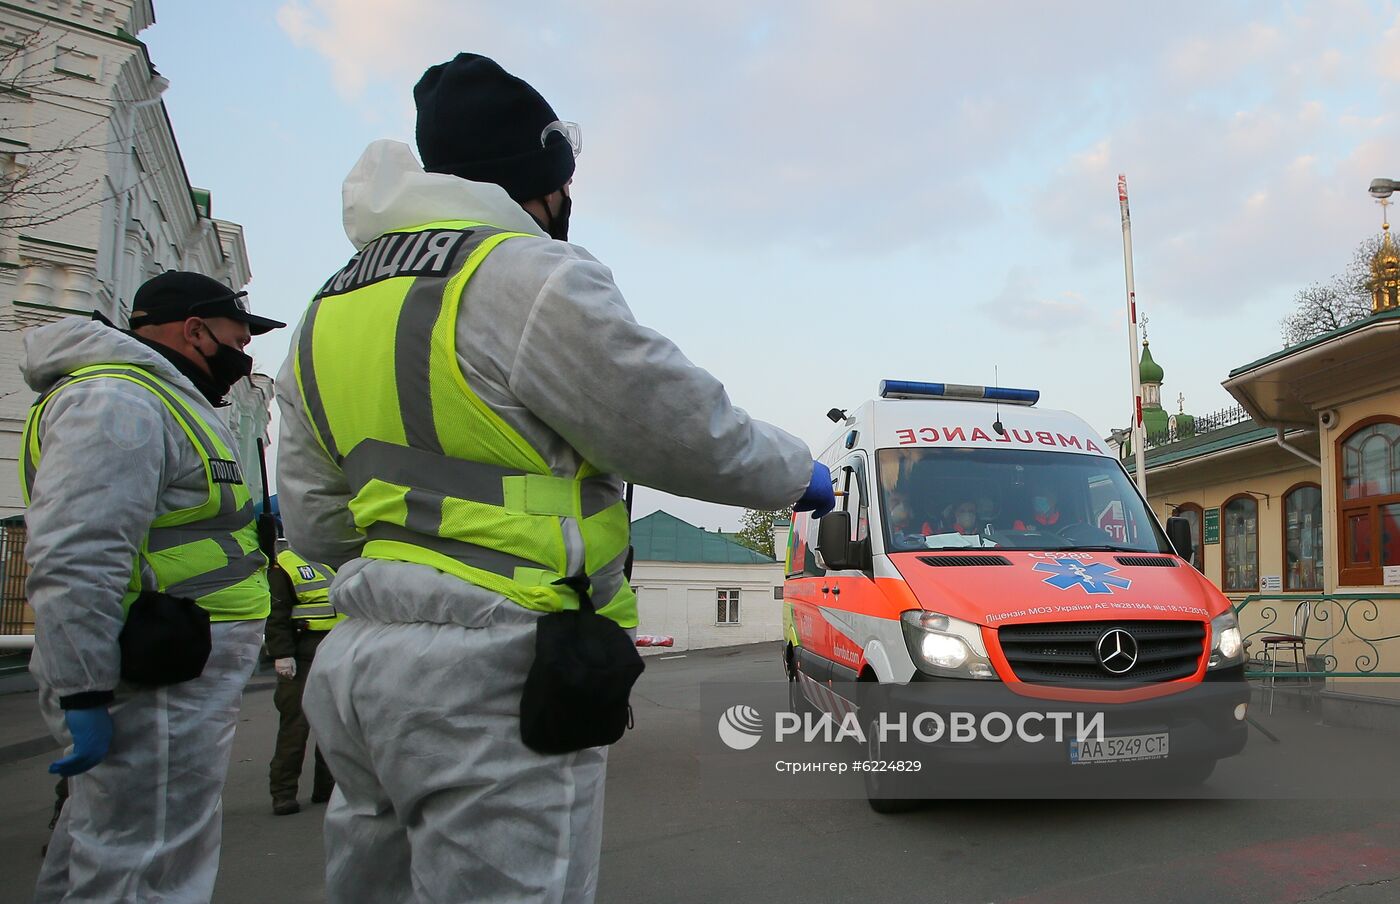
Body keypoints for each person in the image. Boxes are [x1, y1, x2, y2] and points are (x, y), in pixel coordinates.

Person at [275, 52, 835, 903]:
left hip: (358, 666)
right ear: (540, 182)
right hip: (495, 668)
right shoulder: (520, 273)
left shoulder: (329, 308)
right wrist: (797, 474)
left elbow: (315, 524)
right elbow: (671, 420)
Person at [20, 270, 284, 902]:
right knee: (150, 865)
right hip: (158, 670)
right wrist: (80, 687)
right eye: (239, 338)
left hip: (177, 662)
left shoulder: (160, 400)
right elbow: (78, 554)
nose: (245, 357)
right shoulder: (118, 402)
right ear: (195, 330)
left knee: (107, 846)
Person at [266, 542, 343, 815]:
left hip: (340, 650)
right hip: (302, 655)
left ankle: (328, 787)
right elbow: (276, 612)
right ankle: (283, 793)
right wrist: (282, 654)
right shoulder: (286, 564)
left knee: (334, 727)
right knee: (295, 727)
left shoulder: (344, 554)